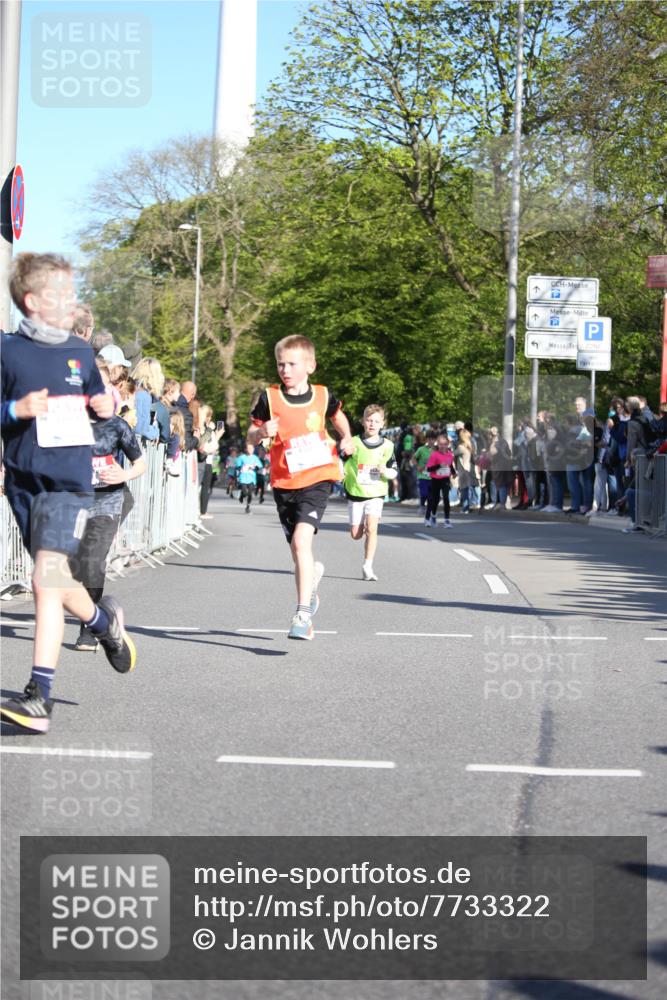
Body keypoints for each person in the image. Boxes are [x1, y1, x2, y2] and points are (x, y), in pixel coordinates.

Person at [0, 253, 136, 733]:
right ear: (32, 301)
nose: (71, 302)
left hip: (70, 483)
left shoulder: (79, 352)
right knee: (54, 579)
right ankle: (102, 623)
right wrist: (15, 409)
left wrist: (103, 405)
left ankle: (39, 695)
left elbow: (100, 403)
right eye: (60, 294)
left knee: (44, 578)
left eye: (72, 293)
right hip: (23, 481)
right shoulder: (7, 351)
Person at [248, 334, 353, 640]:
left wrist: (346, 437)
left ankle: (302, 615)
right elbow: (251, 434)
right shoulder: (269, 399)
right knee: (298, 552)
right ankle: (311, 585)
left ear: (310, 366)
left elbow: (337, 417)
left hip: (318, 476)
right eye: (281, 364)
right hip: (285, 482)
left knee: (301, 540)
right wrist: (260, 433)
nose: (285, 370)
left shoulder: (322, 395)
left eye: (292, 364)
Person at [72, 362, 147, 651]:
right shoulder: (67, 422)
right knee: (75, 565)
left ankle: (89, 628)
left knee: (92, 561)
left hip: (107, 501)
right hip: (72, 502)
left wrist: (124, 474)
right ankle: (97, 613)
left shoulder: (117, 426)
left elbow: (141, 463)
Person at [343, 404, 397, 581]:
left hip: (376, 492)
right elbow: (341, 461)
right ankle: (366, 560)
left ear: (382, 424)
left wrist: (385, 471)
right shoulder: (354, 442)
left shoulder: (388, 445)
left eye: (376, 421)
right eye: (369, 420)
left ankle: (368, 566)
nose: (372, 424)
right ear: (363, 421)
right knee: (356, 534)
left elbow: (394, 470)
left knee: (372, 528)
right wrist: (342, 466)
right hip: (356, 492)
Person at [425, 433, 455, 528]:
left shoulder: (450, 455)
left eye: (445, 444)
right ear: (437, 444)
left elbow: (450, 465)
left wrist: (454, 472)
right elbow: (429, 469)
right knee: (436, 499)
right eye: (441, 444)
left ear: (448, 444)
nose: (443, 446)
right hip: (435, 479)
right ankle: (433, 515)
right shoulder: (434, 455)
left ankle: (447, 520)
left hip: (445, 479)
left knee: (446, 498)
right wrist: (439, 466)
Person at [236, 442, 263, 514]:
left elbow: (260, 466)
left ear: (253, 449)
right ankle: (242, 495)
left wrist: (255, 467)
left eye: (251, 448)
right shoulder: (242, 457)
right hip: (243, 477)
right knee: (245, 493)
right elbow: (237, 466)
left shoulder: (255, 458)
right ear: (246, 449)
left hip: (252, 478)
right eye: (249, 448)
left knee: (250, 494)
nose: (250, 450)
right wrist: (241, 468)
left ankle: (248, 507)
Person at [414, 430, 435, 513]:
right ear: (426, 440)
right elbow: (414, 458)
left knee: (431, 495)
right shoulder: (421, 449)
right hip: (422, 475)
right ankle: (422, 505)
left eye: (432, 439)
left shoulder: (437, 450)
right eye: (429, 439)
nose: (431, 441)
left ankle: (430, 508)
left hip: (433, 476)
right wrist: (418, 466)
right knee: (424, 493)